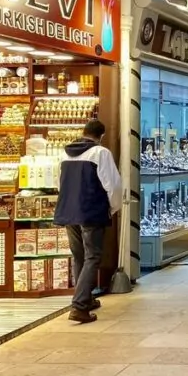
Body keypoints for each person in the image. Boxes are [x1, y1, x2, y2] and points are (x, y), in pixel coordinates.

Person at [54, 120, 122, 324]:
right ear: (101, 135)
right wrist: (112, 208)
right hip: (91, 211)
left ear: (83, 132)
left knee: (79, 257)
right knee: (93, 256)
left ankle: (87, 298)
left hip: (68, 211)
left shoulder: (64, 154)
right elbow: (113, 185)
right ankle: (79, 306)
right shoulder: (100, 153)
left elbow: (59, 183)